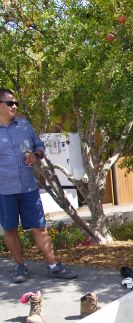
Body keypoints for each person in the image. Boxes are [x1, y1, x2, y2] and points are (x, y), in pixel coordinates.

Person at [0, 88, 78, 283]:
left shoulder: (24, 125)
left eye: (15, 103)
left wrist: (35, 155)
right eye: (10, 103)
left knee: (40, 227)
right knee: (9, 229)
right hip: (4, 190)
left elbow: (39, 146)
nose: (14, 106)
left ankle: (54, 266)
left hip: (28, 188)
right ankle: (20, 268)